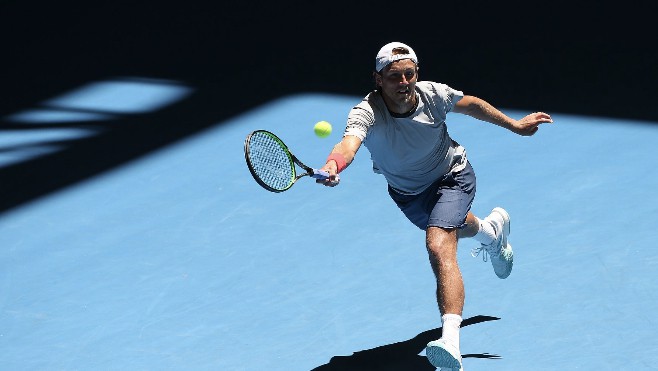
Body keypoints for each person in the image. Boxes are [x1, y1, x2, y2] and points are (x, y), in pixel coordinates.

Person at [316, 41, 552, 370]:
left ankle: (450, 342)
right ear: (377, 79)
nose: (403, 82)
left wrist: (513, 125)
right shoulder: (366, 111)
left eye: (409, 74)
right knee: (455, 228)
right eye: (394, 76)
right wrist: (333, 165)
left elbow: (470, 104)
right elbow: (349, 143)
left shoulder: (433, 95)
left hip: (452, 176)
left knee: (439, 243)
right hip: (408, 193)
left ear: (416, 74)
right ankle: (491, 233)